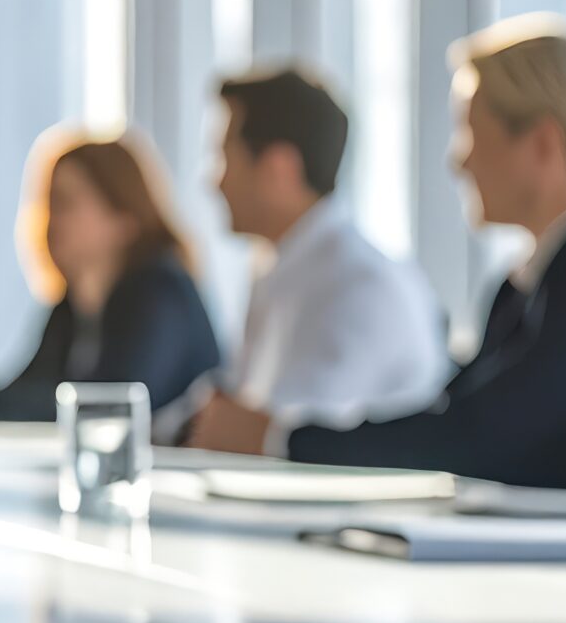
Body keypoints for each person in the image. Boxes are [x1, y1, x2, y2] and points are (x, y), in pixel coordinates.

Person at [190, 18, 566, 493]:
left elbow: (483, 439)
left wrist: (279, 439)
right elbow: (464, 417)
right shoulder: (557, 271)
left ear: (543, 143)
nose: (457, 161)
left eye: (471, 132)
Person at [188, 63, 446, 441]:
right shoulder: (289, 268)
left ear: (279, 170)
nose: (214, 181)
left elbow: (285, 443)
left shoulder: (359, 285)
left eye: (225, 157)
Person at [0, 132, 220, 422]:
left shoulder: (158, 293)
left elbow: (111, 407)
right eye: (49, 204)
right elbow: (25, 393)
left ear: (125, 217)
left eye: (65, 203)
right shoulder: (70, 308)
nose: (52, 220)